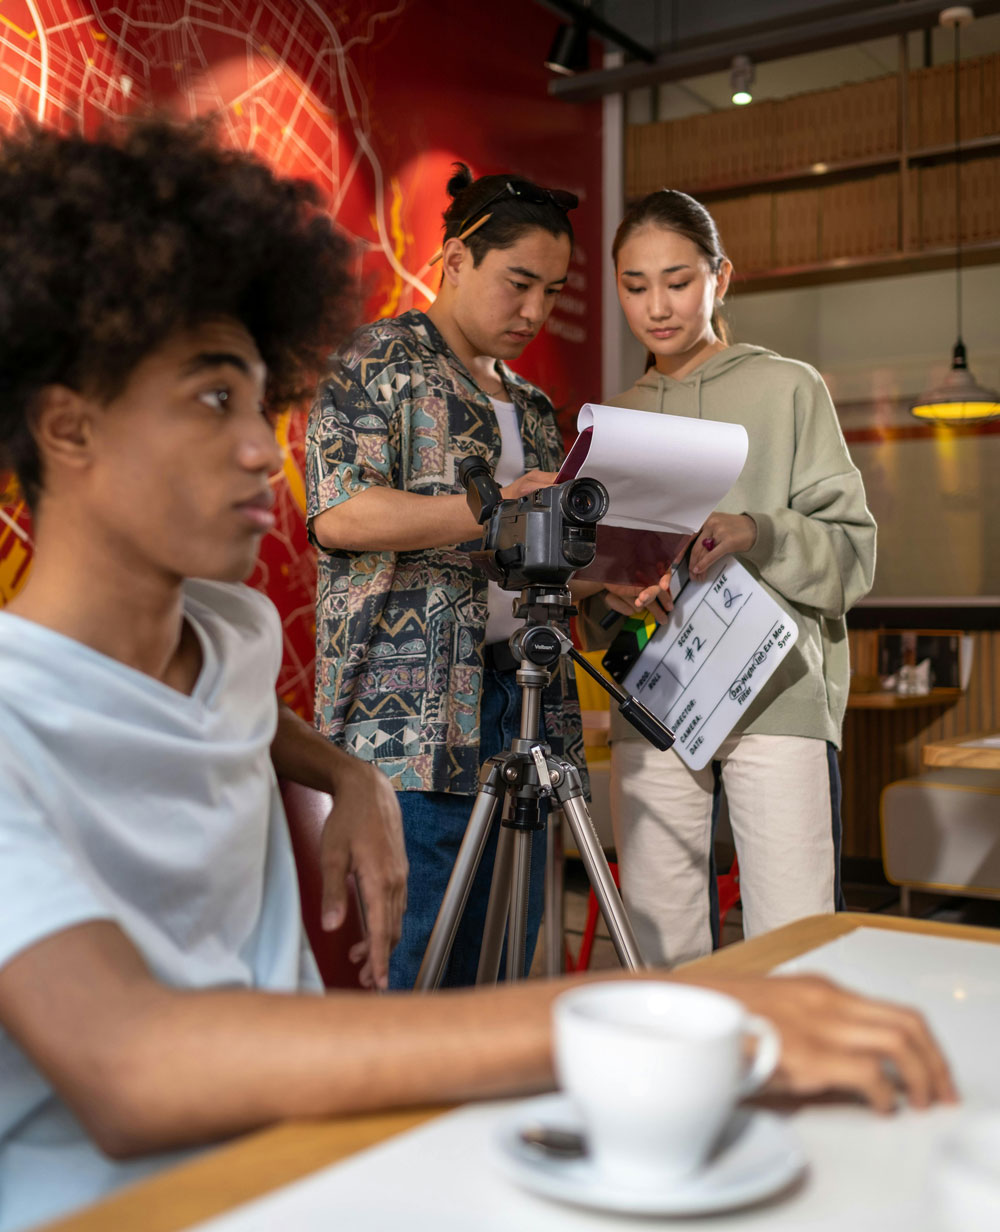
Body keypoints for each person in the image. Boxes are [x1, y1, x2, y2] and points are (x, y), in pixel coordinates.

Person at [0, 118, 952, 1232]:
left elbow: (244, 693)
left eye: (261, 402)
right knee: (442, 967)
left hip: (513, 718)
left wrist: (343, 772)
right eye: (219, 399)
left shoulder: (227, 632)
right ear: (65, 426)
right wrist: (640, 1022)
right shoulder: (29, 720)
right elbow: (130, 1064)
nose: (267, 449)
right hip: (141, 1192)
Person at [306, 164, 618, 989]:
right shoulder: (377, 360)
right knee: (417, 965)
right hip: (407, 717)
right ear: (453, 259)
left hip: (527, 704)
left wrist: (606, 587)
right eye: (519, 284)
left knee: (509, 964)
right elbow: (342, 514)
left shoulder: (539, 408)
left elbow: (527, 555)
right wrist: (493, 508)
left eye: (552, 292)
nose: (535, 312)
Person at [580, 189, 877, 968]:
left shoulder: (789, 389)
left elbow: (855, 555)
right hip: (656, 694)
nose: (657, 306)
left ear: (721, 278)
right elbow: (599, 596)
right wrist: (614, 593)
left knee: (793, 936)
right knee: (658, 934)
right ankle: (679, 1088)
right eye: (635, 285)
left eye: (677, 281)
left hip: (777, 696)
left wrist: (759, 530)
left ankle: (797, 1085)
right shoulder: (615, 417)